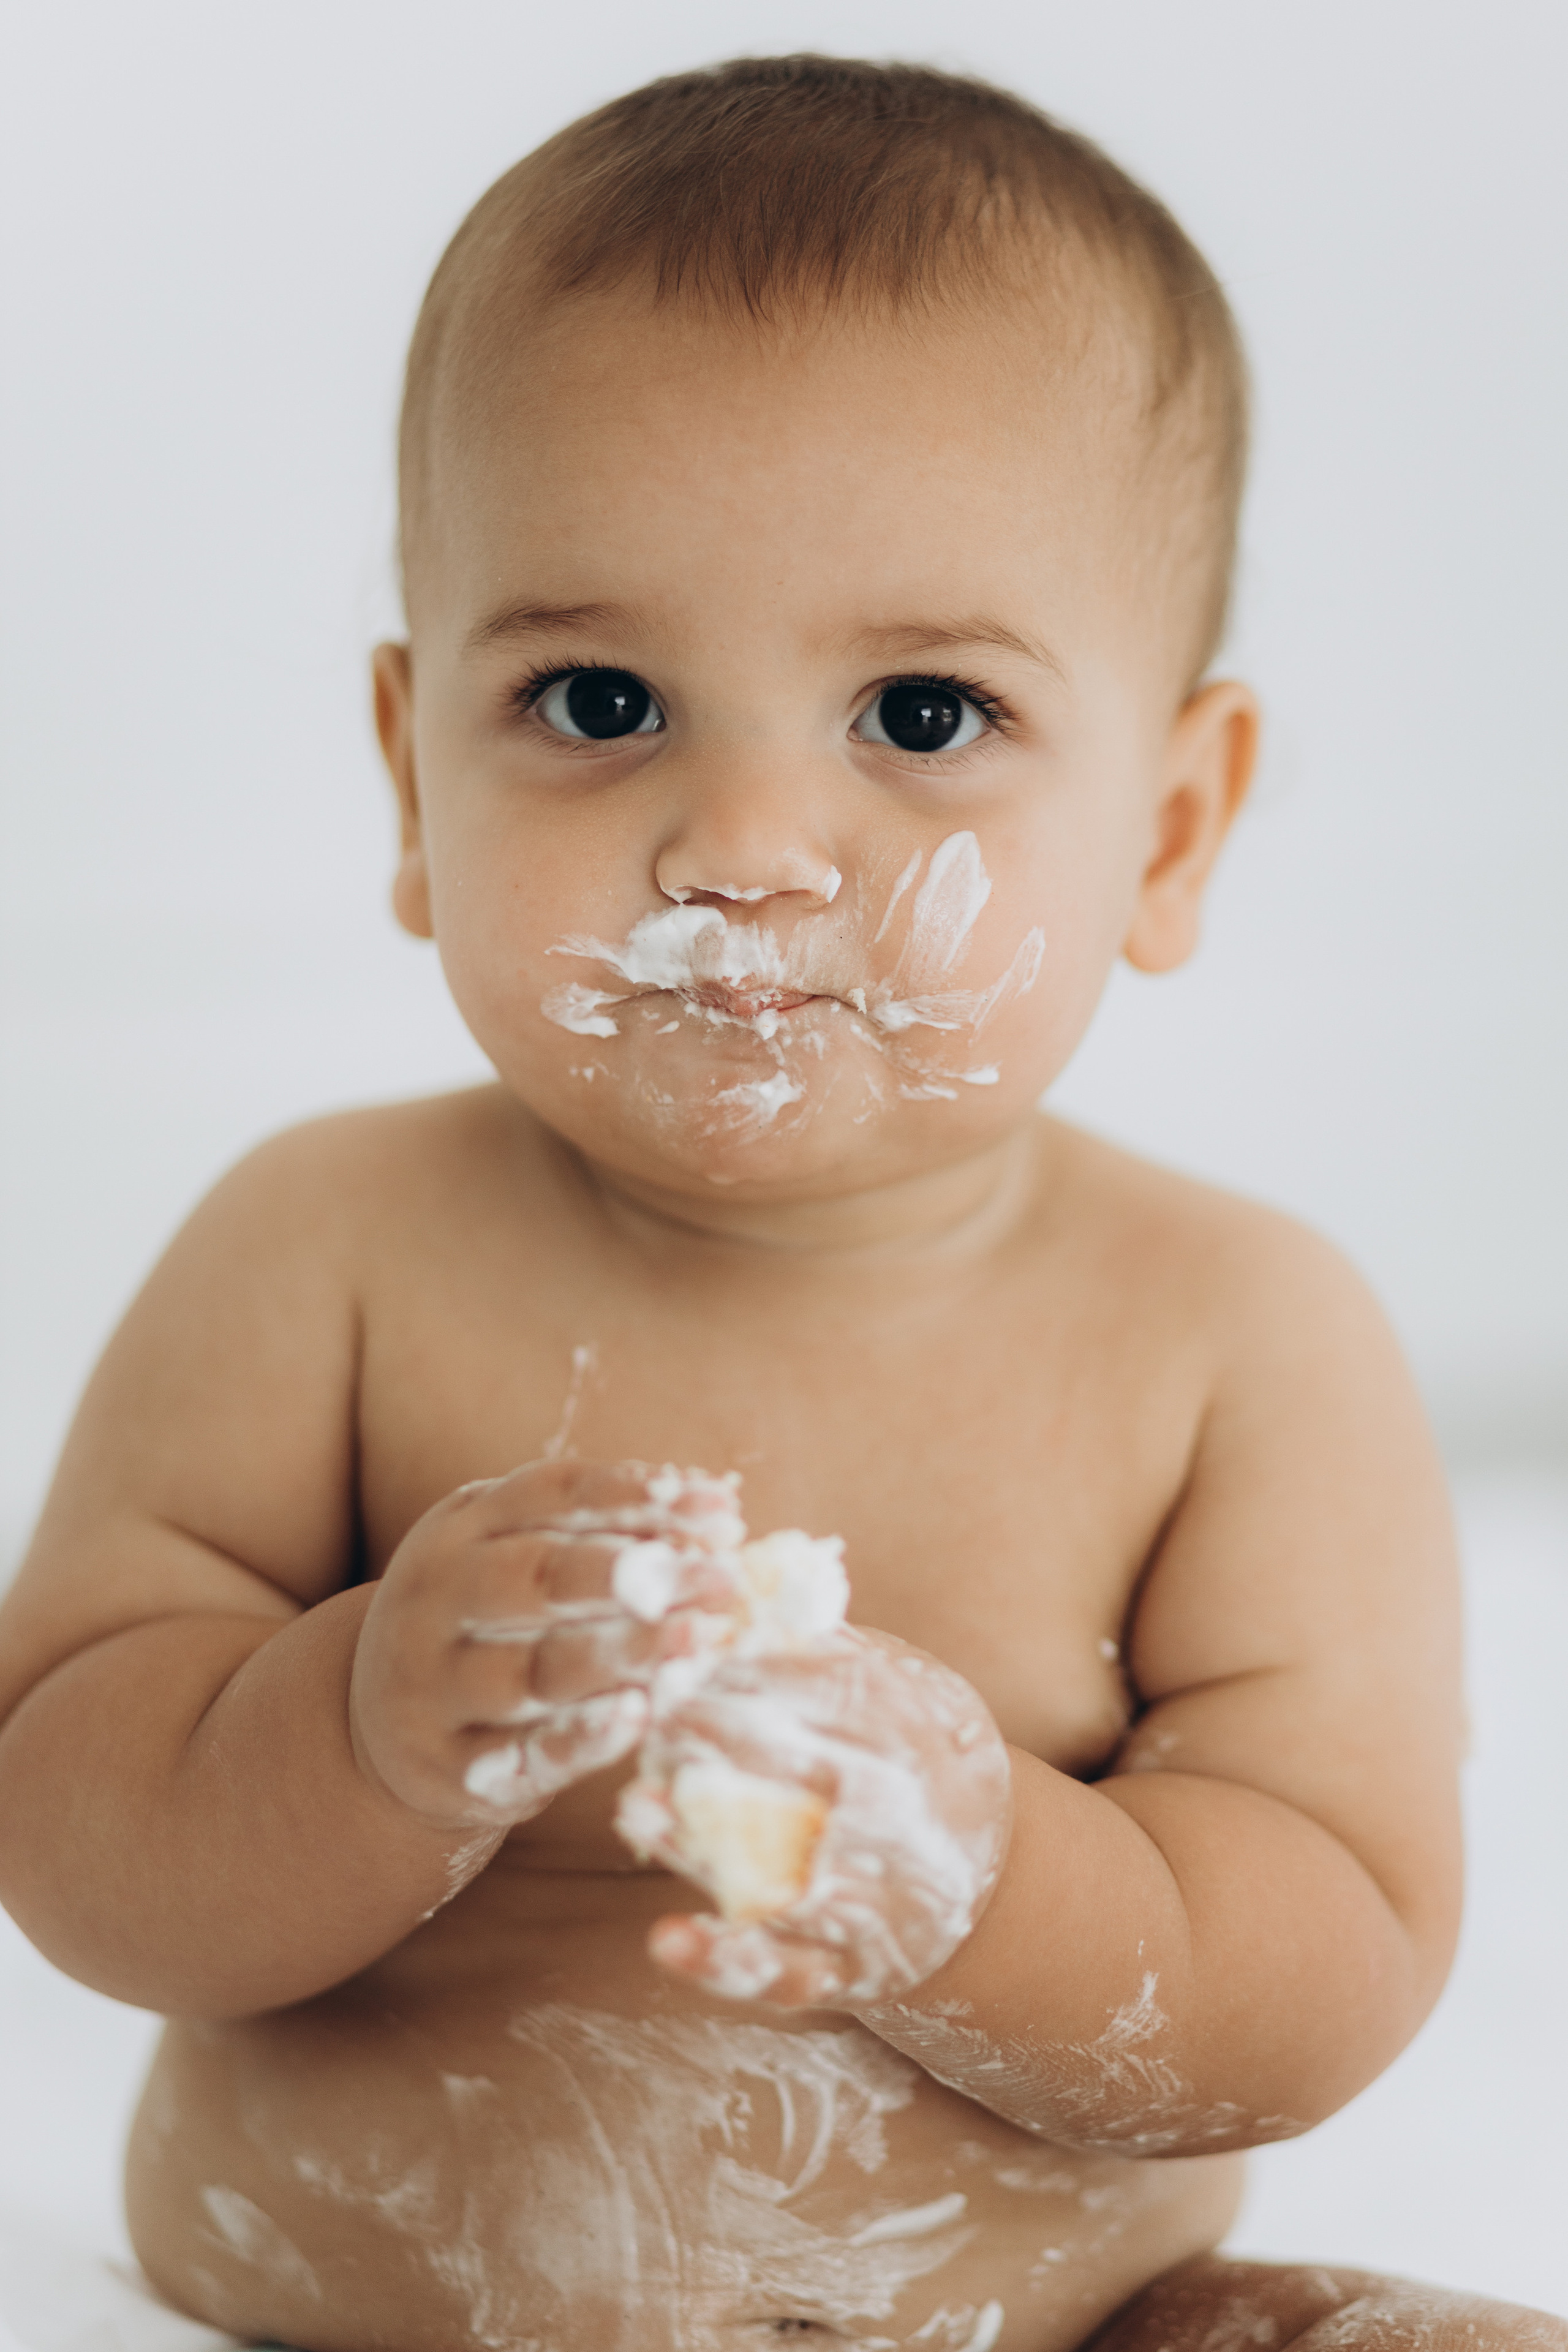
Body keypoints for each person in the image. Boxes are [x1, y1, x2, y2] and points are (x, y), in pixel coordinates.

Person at [0, 53, 1559, 2352]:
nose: (744, 848)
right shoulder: (314, 1254)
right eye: (601, 695)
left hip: (1049, 2324)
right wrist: (349, 1735)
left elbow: (1323, 1962)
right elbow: (75, 1839)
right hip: (333, 2311)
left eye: (921, 718)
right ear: (411, 777)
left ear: (1168, 831)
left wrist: (980, 1874)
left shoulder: (1237, 1341)